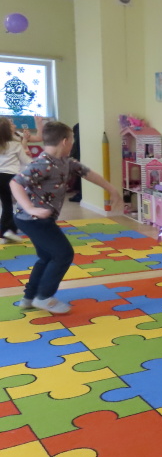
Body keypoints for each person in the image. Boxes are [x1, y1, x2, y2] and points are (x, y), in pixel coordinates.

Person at [10, 121, 123, 314]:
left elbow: (88, 173)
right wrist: (30, 208)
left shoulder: (65, 161)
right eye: (72, 140)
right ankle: (44, 297)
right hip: (33, 219)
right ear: (64, 141)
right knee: (63, 254)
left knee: (46, 257)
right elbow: (15, 183)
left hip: (36, 219)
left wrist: (111, 188)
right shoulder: (42, 164)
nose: (72, 143)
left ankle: (29, 297)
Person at [0, 117, 32, 244]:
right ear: (8, 131)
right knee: (18, 204)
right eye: (11, 125)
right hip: (11, 178)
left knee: (7, 204)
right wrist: (40, 163)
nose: (14, 126)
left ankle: (6, 231)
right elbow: (26, 161)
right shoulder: (15, 145)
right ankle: (9, 230)